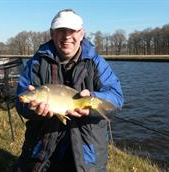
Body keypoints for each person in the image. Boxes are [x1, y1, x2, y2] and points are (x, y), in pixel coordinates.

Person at [14, 9, 123, 172]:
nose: (67, 36)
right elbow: (20, 101)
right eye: (61, 31)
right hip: (42, 151)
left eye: (72, 31)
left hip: (88, 155)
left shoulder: (96, 63)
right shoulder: (36, 63)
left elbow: (116, 98)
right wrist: (32, 110)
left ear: (81, 33)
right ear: (52, 33)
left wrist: (92, 100)